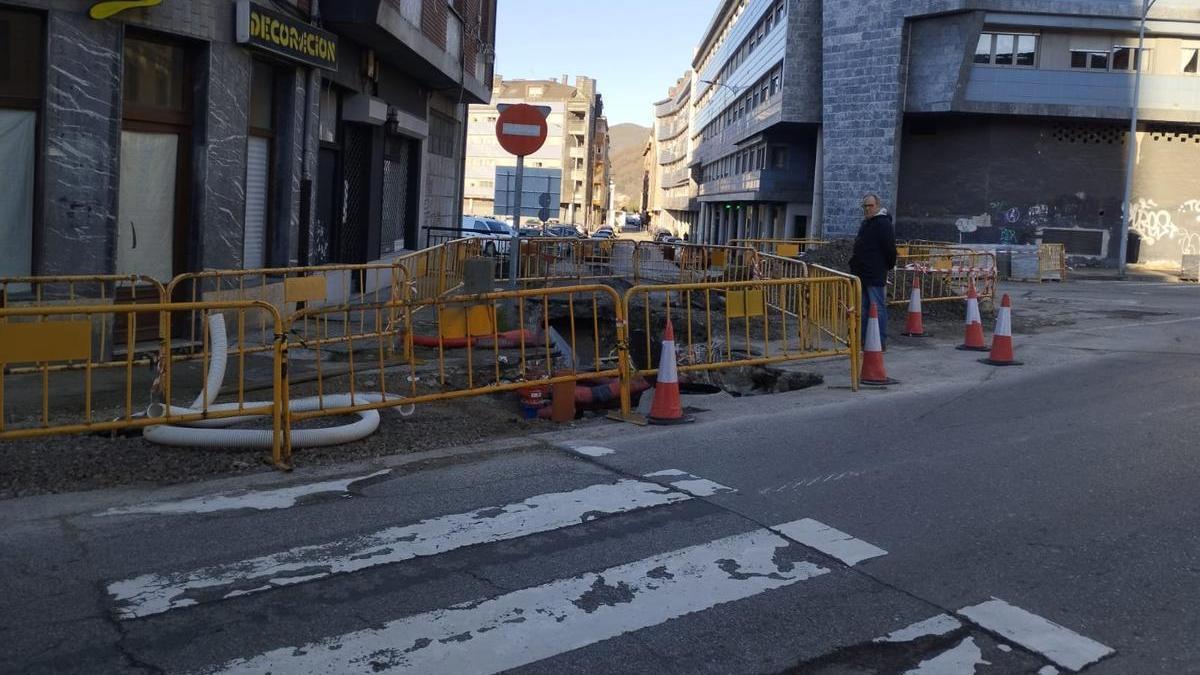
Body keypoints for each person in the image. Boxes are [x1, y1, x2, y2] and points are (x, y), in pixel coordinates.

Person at [848, 193, 897, 349]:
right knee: (865, 308)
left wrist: (886, 266)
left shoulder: (883, 224)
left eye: (870, 206)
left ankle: (879, 342)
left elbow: (890, 249)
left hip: (874, 273)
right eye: (865, 206)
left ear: (877, 206)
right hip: (863, 273)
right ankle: (865, 340)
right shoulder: (867, 224)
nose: (867, 209)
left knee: (877, 307)